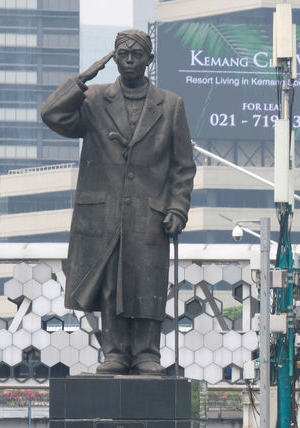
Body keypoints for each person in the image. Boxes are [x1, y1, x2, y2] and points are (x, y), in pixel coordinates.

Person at [41, 29, 196, 375]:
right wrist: (82, 79)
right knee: (111, 285)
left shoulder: (171, 106)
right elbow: (52, 115)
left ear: (148, 60)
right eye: (122, 54)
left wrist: (177, 209)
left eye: (136, 55)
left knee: (147, 283)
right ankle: (114, 352)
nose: (129, 61)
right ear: (113, 57)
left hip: (150, 214)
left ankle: (146, 353)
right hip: (104, 214)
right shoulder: (94, 100)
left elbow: (183, 167)